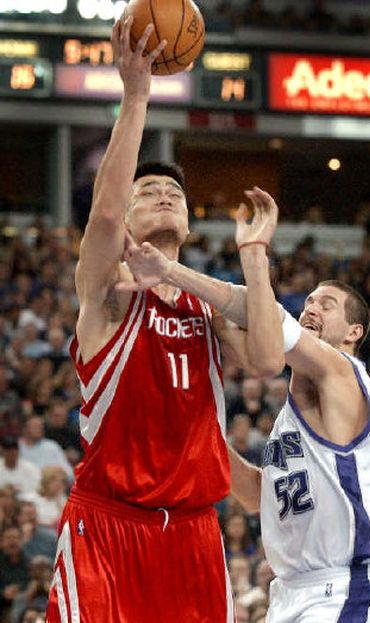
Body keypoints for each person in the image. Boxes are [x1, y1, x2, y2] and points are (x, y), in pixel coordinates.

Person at [46, 14, 283, 623]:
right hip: (108, 526)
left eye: (174, 194)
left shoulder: (204, 303)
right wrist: (136, 97)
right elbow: (101, 220)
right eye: (147, 192)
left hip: (195, 537)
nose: (165, 196)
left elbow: (264, 358)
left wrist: (254, 256)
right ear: (127, 218)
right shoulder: (108, 293)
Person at [222, 196, 370, 622]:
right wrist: (199, 433)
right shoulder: (295, 415)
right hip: (290, 593)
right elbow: (255, 497)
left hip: (341, 587)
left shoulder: (345, 374)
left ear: (354, 331)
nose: (312, 307)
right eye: (311, 300)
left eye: (327, 303)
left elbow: (272, 327)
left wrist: (248, 260)